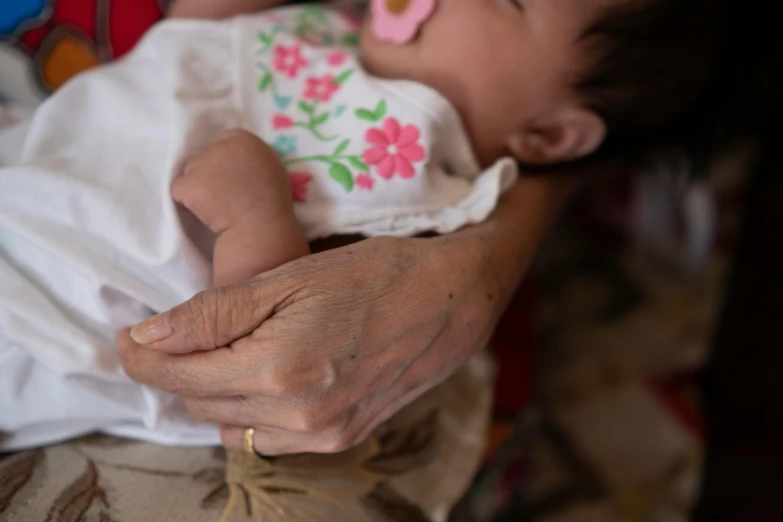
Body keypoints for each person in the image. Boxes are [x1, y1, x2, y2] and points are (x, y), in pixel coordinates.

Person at [0, 0, 722, 457]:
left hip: (41, 320)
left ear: (549, 135)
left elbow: (275, 335)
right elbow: (192, 42)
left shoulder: (425, 187)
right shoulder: (334, 33)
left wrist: (257, 213)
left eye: (505, 3)